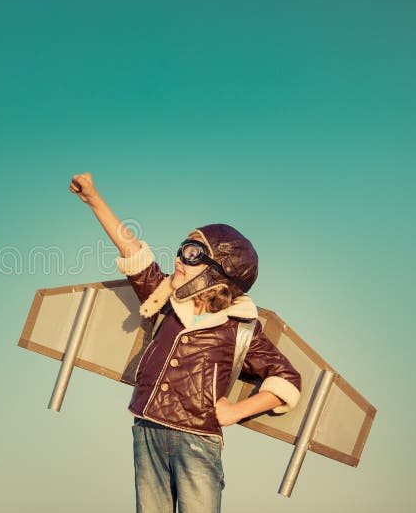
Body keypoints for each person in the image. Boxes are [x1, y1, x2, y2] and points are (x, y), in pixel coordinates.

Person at [69, 172, 302, 513]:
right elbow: (133, 251)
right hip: (147, 429)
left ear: (218, 272)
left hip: (198, 440)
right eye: (181, 249)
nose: (178, 258)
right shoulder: (165, 299)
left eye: (192, 253)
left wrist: (237, 411)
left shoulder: (240, 328)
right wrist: (93, 199)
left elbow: (287, 379)